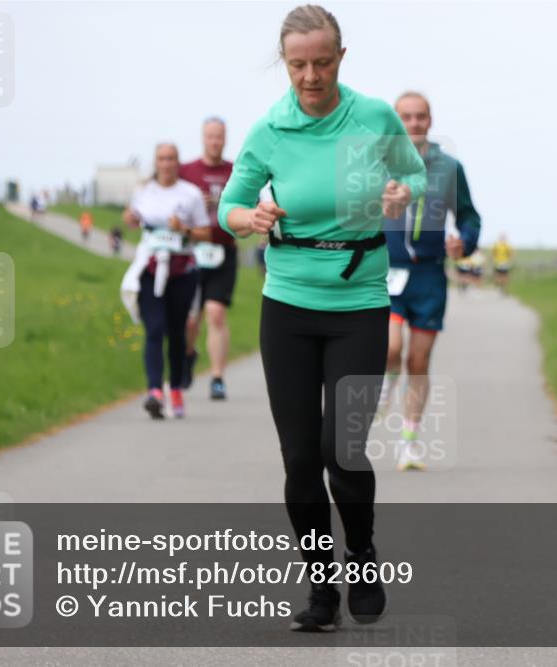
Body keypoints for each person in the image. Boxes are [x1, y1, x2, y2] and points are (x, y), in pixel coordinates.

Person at [217, 4, 426, 632]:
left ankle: (361, 557)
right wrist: (248, 219)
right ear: (284, 62)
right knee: (301, 459)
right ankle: (320, 590)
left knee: (345, 451)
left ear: (342, 56)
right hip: (287, 307)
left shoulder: (373, 117)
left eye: (323, 62)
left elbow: (413, 174)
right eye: (298, 63)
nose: (311, 75)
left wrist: (400, 193)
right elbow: (230, 203)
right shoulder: (269, 131)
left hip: (359, 302)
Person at [380, 91, 481, 472]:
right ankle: (387, 382)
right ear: (395, 122)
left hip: (429, 275)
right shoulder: (378, 164)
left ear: (430, 120)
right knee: (391, 349)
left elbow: (470, 216)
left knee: (418, 360)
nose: (413, 124)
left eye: (420, 116)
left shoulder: (448, 168)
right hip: (386, 272)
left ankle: (409, 441)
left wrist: (464, 242)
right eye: (405, 117)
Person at [122, 143, 213, 419]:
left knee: (176, 333)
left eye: (171, 158)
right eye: (161, 158)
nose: (166, 163)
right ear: (155, 162)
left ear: (178, 162)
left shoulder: (190, 194)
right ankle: (154, 391)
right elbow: (131, 220)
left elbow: (206, 233)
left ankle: (174, 388)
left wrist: (183, 229)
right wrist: (130, 219)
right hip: (150, 269)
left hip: (182, 271)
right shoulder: (143, 191)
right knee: (154, 329)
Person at [179, 117, 236, 397]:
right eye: (210, 136)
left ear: (225, 139)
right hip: (193, 252)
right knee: (191, 319)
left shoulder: (235, 171)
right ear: (203, 138)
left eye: (219, 137)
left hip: (224, 251)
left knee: (216, 313)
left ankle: (217, 377)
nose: (215, 141)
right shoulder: (186, 171)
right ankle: (188, 354)